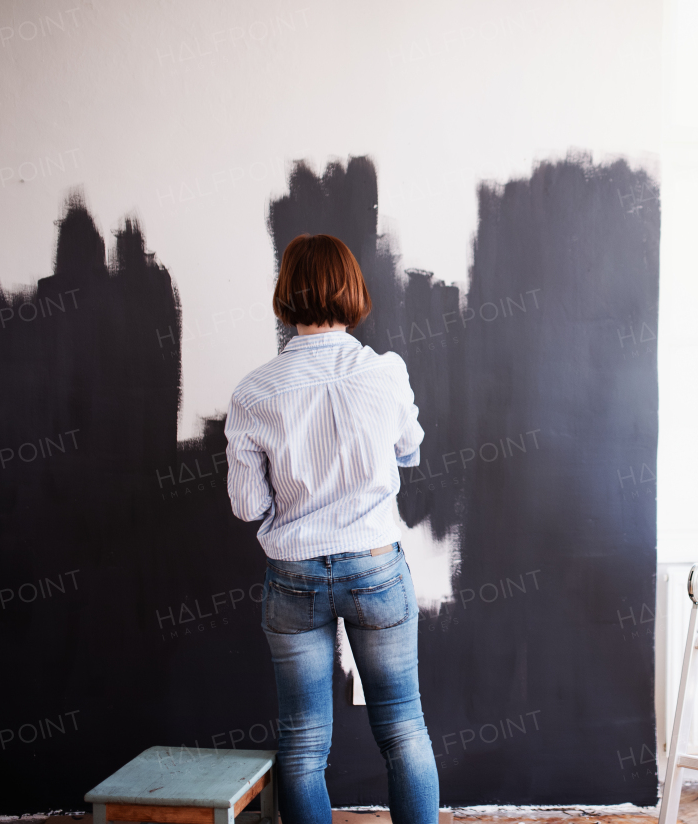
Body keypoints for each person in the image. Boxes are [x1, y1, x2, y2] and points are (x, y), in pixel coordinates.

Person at [224, 233, 439, 824]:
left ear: (284, 294)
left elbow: (247, 506)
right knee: (403, 727)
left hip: (293, 576)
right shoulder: (385, 373)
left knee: (302, 744)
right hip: (376, 566)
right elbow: (409, 447)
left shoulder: (252, 393)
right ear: (352, 289)